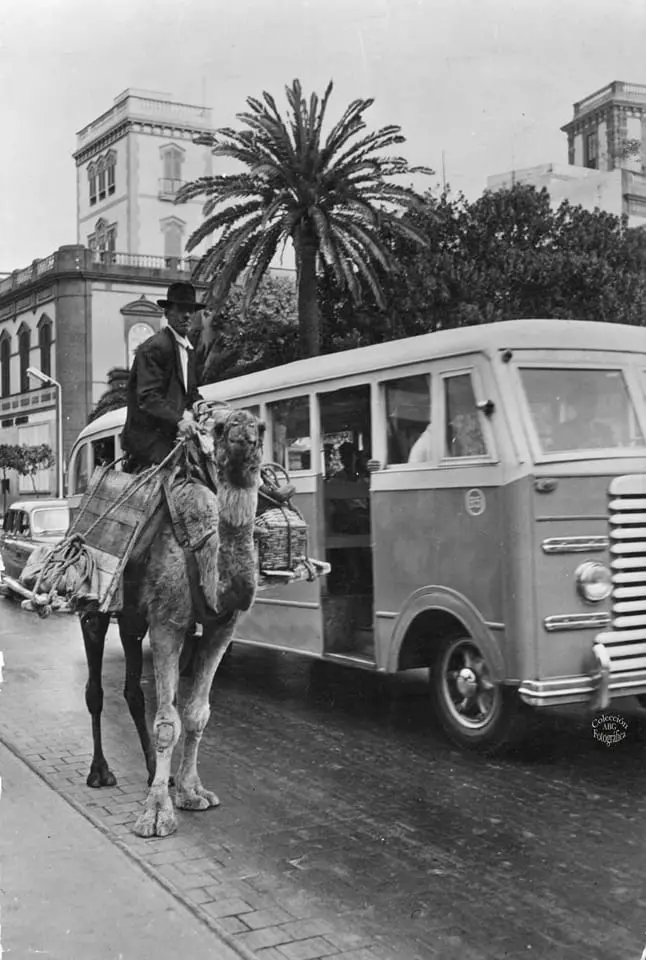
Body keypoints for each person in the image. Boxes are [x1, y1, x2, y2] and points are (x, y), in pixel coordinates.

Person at [121, 282, 205, 472]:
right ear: (167, 313)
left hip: (177, 435)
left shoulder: (187, 348)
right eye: (180, 309)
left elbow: (190, 392)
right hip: (152, 441)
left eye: (191, 310)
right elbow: (148, 397)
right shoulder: (155, 348)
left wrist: (200, 404)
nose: (187, 315)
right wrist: (179, 421)